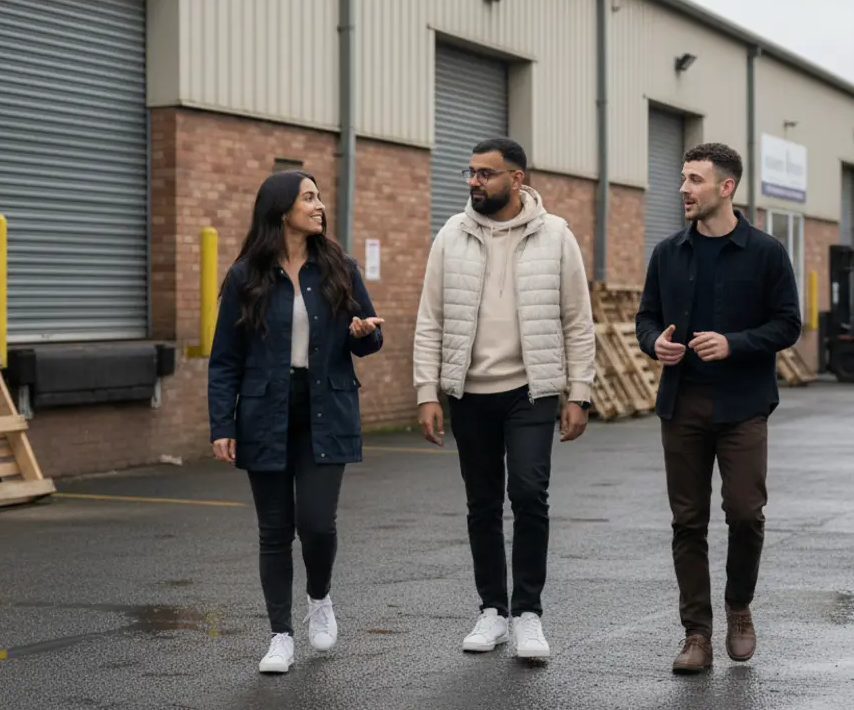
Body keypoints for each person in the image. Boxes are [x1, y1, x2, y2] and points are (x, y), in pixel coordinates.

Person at [413, 136, 596, 660]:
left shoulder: (555, 235)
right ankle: (492, 610)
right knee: (482, 502)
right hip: (468, 392)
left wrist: (578, 392)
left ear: (517, 180)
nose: (474, 181)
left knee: (529, 493)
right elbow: (431, 320)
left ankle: (529, 614)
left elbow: (576, 320)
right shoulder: (451, 234)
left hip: (531, 389)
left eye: (486, 174)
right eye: (471, 172)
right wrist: (428, 391)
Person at [207, 170, 385, 675]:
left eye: (319, 197)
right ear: (281, 209)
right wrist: (222, 424)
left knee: (317, 524)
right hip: (265, 411)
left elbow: (369, 338)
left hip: (325, 408)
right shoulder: (247, 275)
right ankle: (280, 635)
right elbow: (224, 360)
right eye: (308, 198)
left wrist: (362, 332)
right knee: (274, 530)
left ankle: (320, 598)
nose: (319, 205)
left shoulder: (339, 267)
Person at [634, 143, 802, 673]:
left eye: (694, 180)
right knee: (688, 521)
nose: (683, 189)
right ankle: (696, 634)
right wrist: (653, 344)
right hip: (682, 403)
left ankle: (739, 608)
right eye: (683, 178)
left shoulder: (765, 252)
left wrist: (735, 343)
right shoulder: (668, 252)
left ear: (725, 187)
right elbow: (646, 317)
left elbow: (787, 324)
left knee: (746, 514)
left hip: (743, 404)